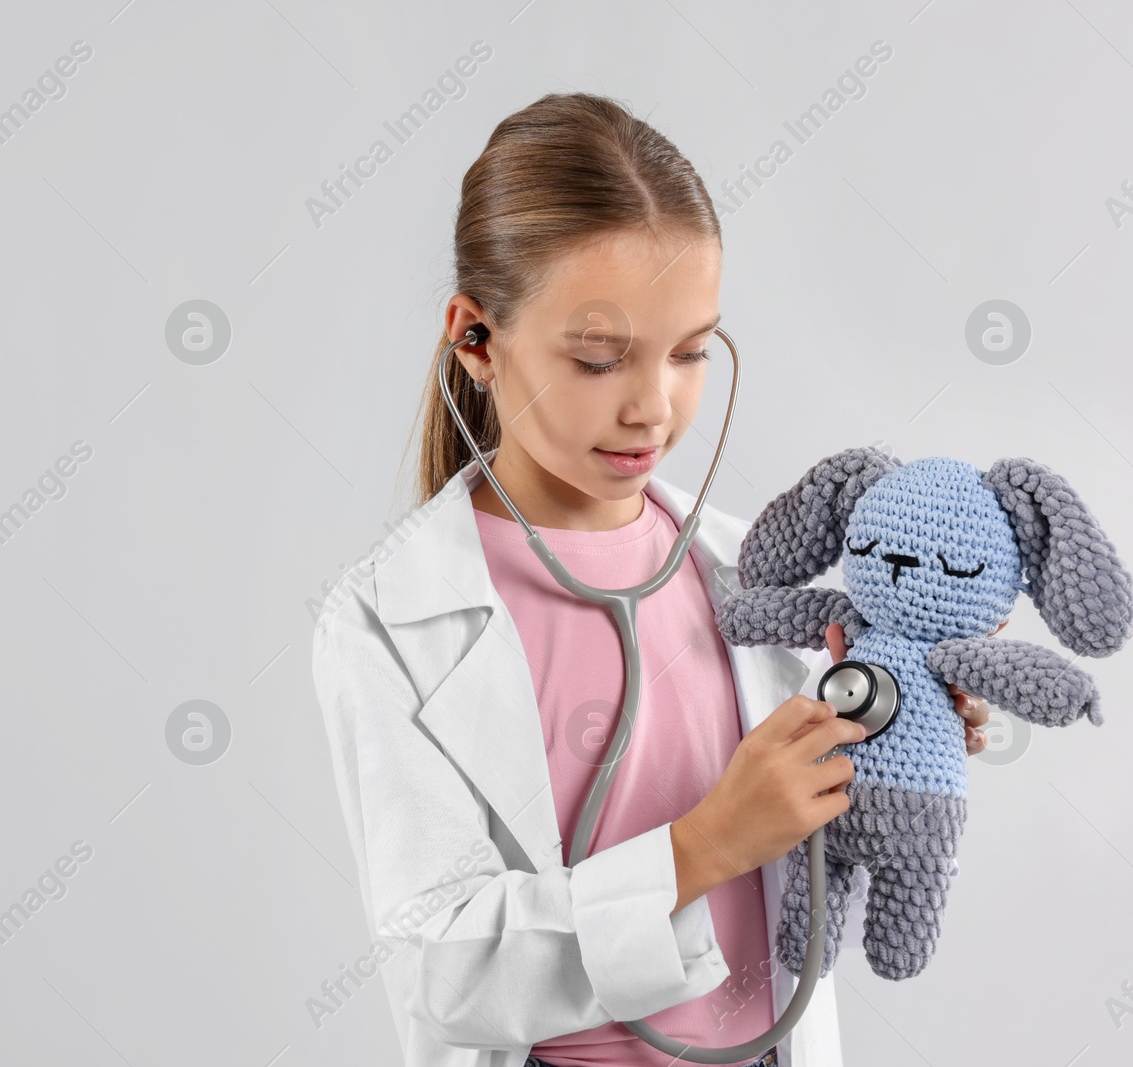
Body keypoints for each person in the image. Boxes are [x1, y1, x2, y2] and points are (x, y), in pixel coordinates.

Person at [309, 91, 991, 1067]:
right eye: (597, 357)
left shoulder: (749, 571)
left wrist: (896, 728)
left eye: (689, 352)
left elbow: (813, 865)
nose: (653, 407)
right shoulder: (385, 620)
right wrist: (700, 846)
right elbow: (440, 970)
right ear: (475, 338)